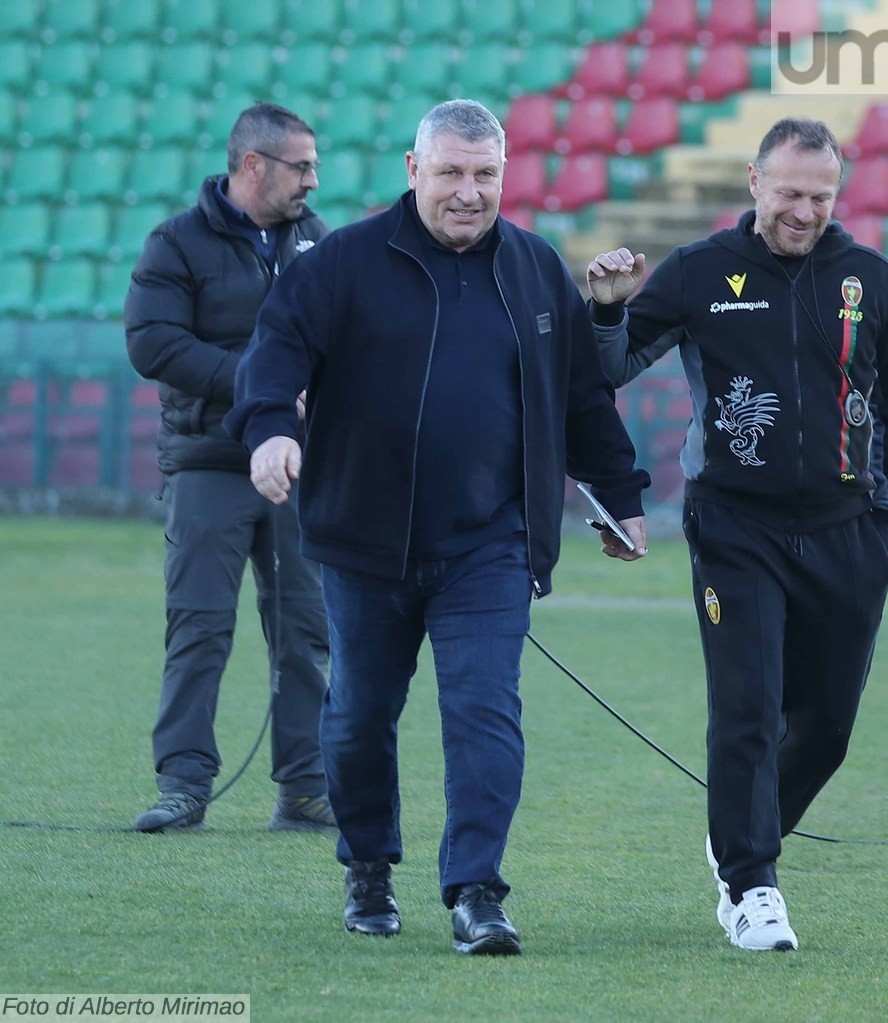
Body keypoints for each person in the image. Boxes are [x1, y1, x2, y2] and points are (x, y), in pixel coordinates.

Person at [223, 99, 650, 955]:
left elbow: (578, 397)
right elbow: (275, 352)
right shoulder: (341, 263)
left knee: (486, 711)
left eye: (484, 174)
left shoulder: (535, 271)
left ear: (505, 175)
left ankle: (477, 891)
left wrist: (619, 491)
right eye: (450, 172)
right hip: (362, 542)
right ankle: (369, 867)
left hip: (489, 544)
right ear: (414, 170)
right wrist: (272, 426)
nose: (468, 191)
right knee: (355, 720)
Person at [586, 117, 888, 952]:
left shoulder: (871, 279)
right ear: (755, 183)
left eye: (820, 195)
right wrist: (604, 311)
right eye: (789, 192)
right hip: (734, 525)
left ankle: (742, 826)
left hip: (850, 532)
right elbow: (612, 365)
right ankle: (749, 882)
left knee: (828, 724)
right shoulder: (702, 271)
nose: (803, 211)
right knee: (746, 704)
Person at [125, 102, 335, 835]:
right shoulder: (174, 243)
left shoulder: (314, 239)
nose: (313, 178)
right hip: (209, 464)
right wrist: (261, 379)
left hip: (298, 468)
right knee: (199, 627)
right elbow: (152, 344)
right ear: (253, 166)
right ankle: (184, 785)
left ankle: (307, 789)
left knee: (307, 629)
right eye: (301, 166)